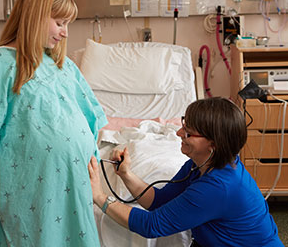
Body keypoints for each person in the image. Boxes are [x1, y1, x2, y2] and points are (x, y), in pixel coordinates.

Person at [0, 0, 107, 246]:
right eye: (59, 23)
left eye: (67, 24)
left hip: (72, 184)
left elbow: (92, 116)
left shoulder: (62, 65)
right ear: (35, 15)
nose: (65, 33)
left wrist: (92, 170)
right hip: (31, 187)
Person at [88, 97, 284, 247]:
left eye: (188, 132)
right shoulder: (200, 164)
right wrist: (126, 174)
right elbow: (158, 200)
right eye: (183, 125)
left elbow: (151, 225)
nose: (179, 133)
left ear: (213, 145)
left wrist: (99, 197)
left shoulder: (218, 187)